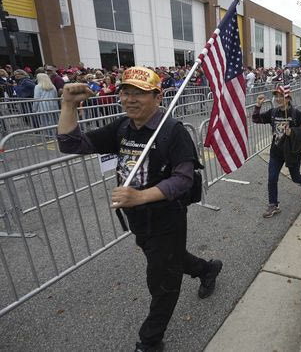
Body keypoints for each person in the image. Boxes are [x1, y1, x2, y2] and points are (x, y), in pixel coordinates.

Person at [57, 67, 223, 352]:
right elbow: (70, 143)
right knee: (170, 259)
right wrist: (68, 105)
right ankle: (207, 269)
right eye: (125, 92)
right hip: (138, 219)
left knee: (162, 282)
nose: (130, 99)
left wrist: (140, 197)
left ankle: (150, 341)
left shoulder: (173, 132)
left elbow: (183, 179)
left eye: (139, 94)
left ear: (158, 96)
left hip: (167, 218)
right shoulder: (122, 127)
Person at [252, 85, 301, 218]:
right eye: (276, 96)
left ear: (288, 98)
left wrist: (292, 132)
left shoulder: (296, 114)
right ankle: (273, 205)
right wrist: (258, 106)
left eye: (281, 96)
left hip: (291, 152)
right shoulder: (273, 113)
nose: (278, 99)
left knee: (295, 177)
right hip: (276, 151)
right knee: (272, 178)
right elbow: (256, 119)